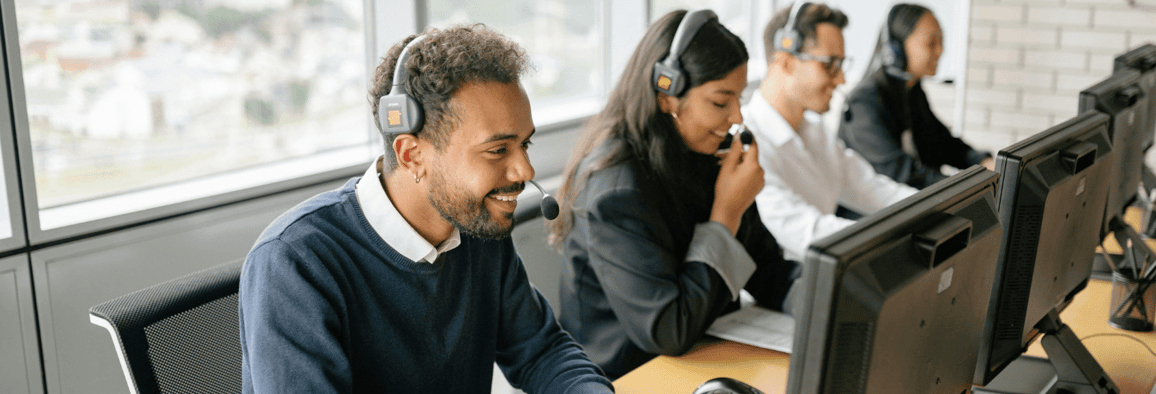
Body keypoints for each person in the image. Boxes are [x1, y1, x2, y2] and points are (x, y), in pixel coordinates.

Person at [238, 25, 614, 393]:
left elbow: (542, 352)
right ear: (412, 155)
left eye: (524, 145)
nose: (525, 171)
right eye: (498, 150)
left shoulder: (476, 225)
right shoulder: (294, 263)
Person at [548, 9, 797, 380]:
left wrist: (827, 298)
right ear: (667, 93)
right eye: (721, 102)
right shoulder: (616, 192)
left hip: (702, 356)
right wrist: (726, 215)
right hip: (628, 376)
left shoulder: (704, 156)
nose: (737, 117)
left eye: (739, 99)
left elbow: (768, 271)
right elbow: (669, 329)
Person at [743, 2, 919, 262]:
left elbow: (872, 189)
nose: (841, 80)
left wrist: (936, 208)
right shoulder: (746, 141)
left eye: (841, 65)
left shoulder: (816, 132)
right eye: (830, 65)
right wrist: (895, 238)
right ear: (786, 61)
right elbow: (809, 232)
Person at [838, 3, 993, 190]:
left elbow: (944, 144)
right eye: (931, 42)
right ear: (896, 49)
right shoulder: (863, 103)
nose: (940, 50)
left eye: (941, 41)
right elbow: (904, 176)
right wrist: (969, 187)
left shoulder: (911, 91)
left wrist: (984, 162)